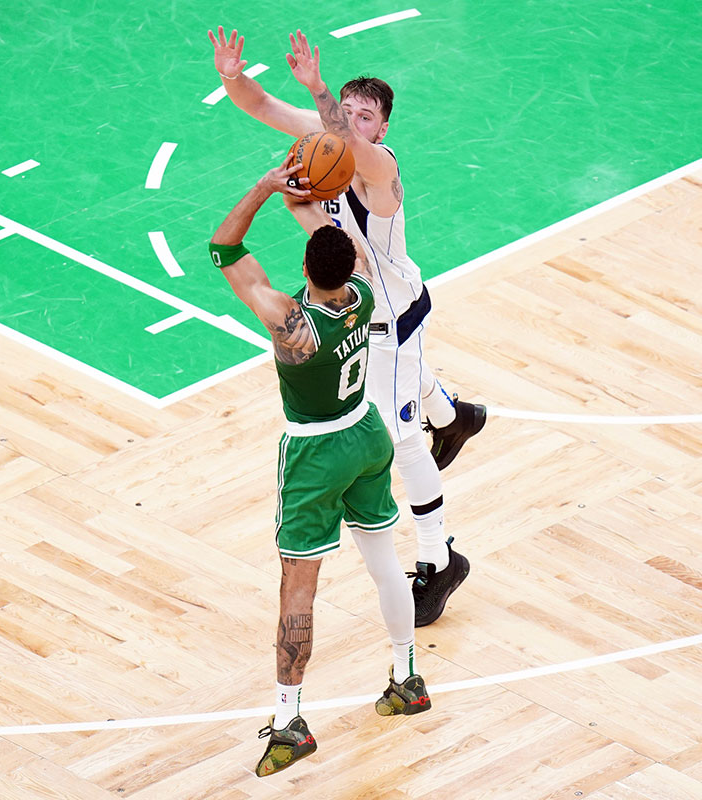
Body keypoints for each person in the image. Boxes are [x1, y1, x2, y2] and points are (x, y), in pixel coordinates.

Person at [208, 26, 484, 626]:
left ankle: (440, 561)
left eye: (366, 116)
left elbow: (347, 151)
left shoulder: (382, 171)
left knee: (400, 441)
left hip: (395, 318)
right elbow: (258, 104)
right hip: (365, 309)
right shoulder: (325, 139)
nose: (352, 122)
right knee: (407, 412)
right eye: (347, 113)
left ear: (382, 129)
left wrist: (322, 93)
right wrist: (232, 74)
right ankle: (452, 415)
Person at [211, 162, 431, 777]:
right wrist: (310, 203)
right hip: (367, 432)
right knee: (385, 564)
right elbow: (346, 246)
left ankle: (289, 721)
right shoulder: (362, 289)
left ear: (307, 270)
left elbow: (223, 249)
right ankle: (407, 676)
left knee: (298, 588)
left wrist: (264, 188)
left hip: (314, 452)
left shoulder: (292, 325)